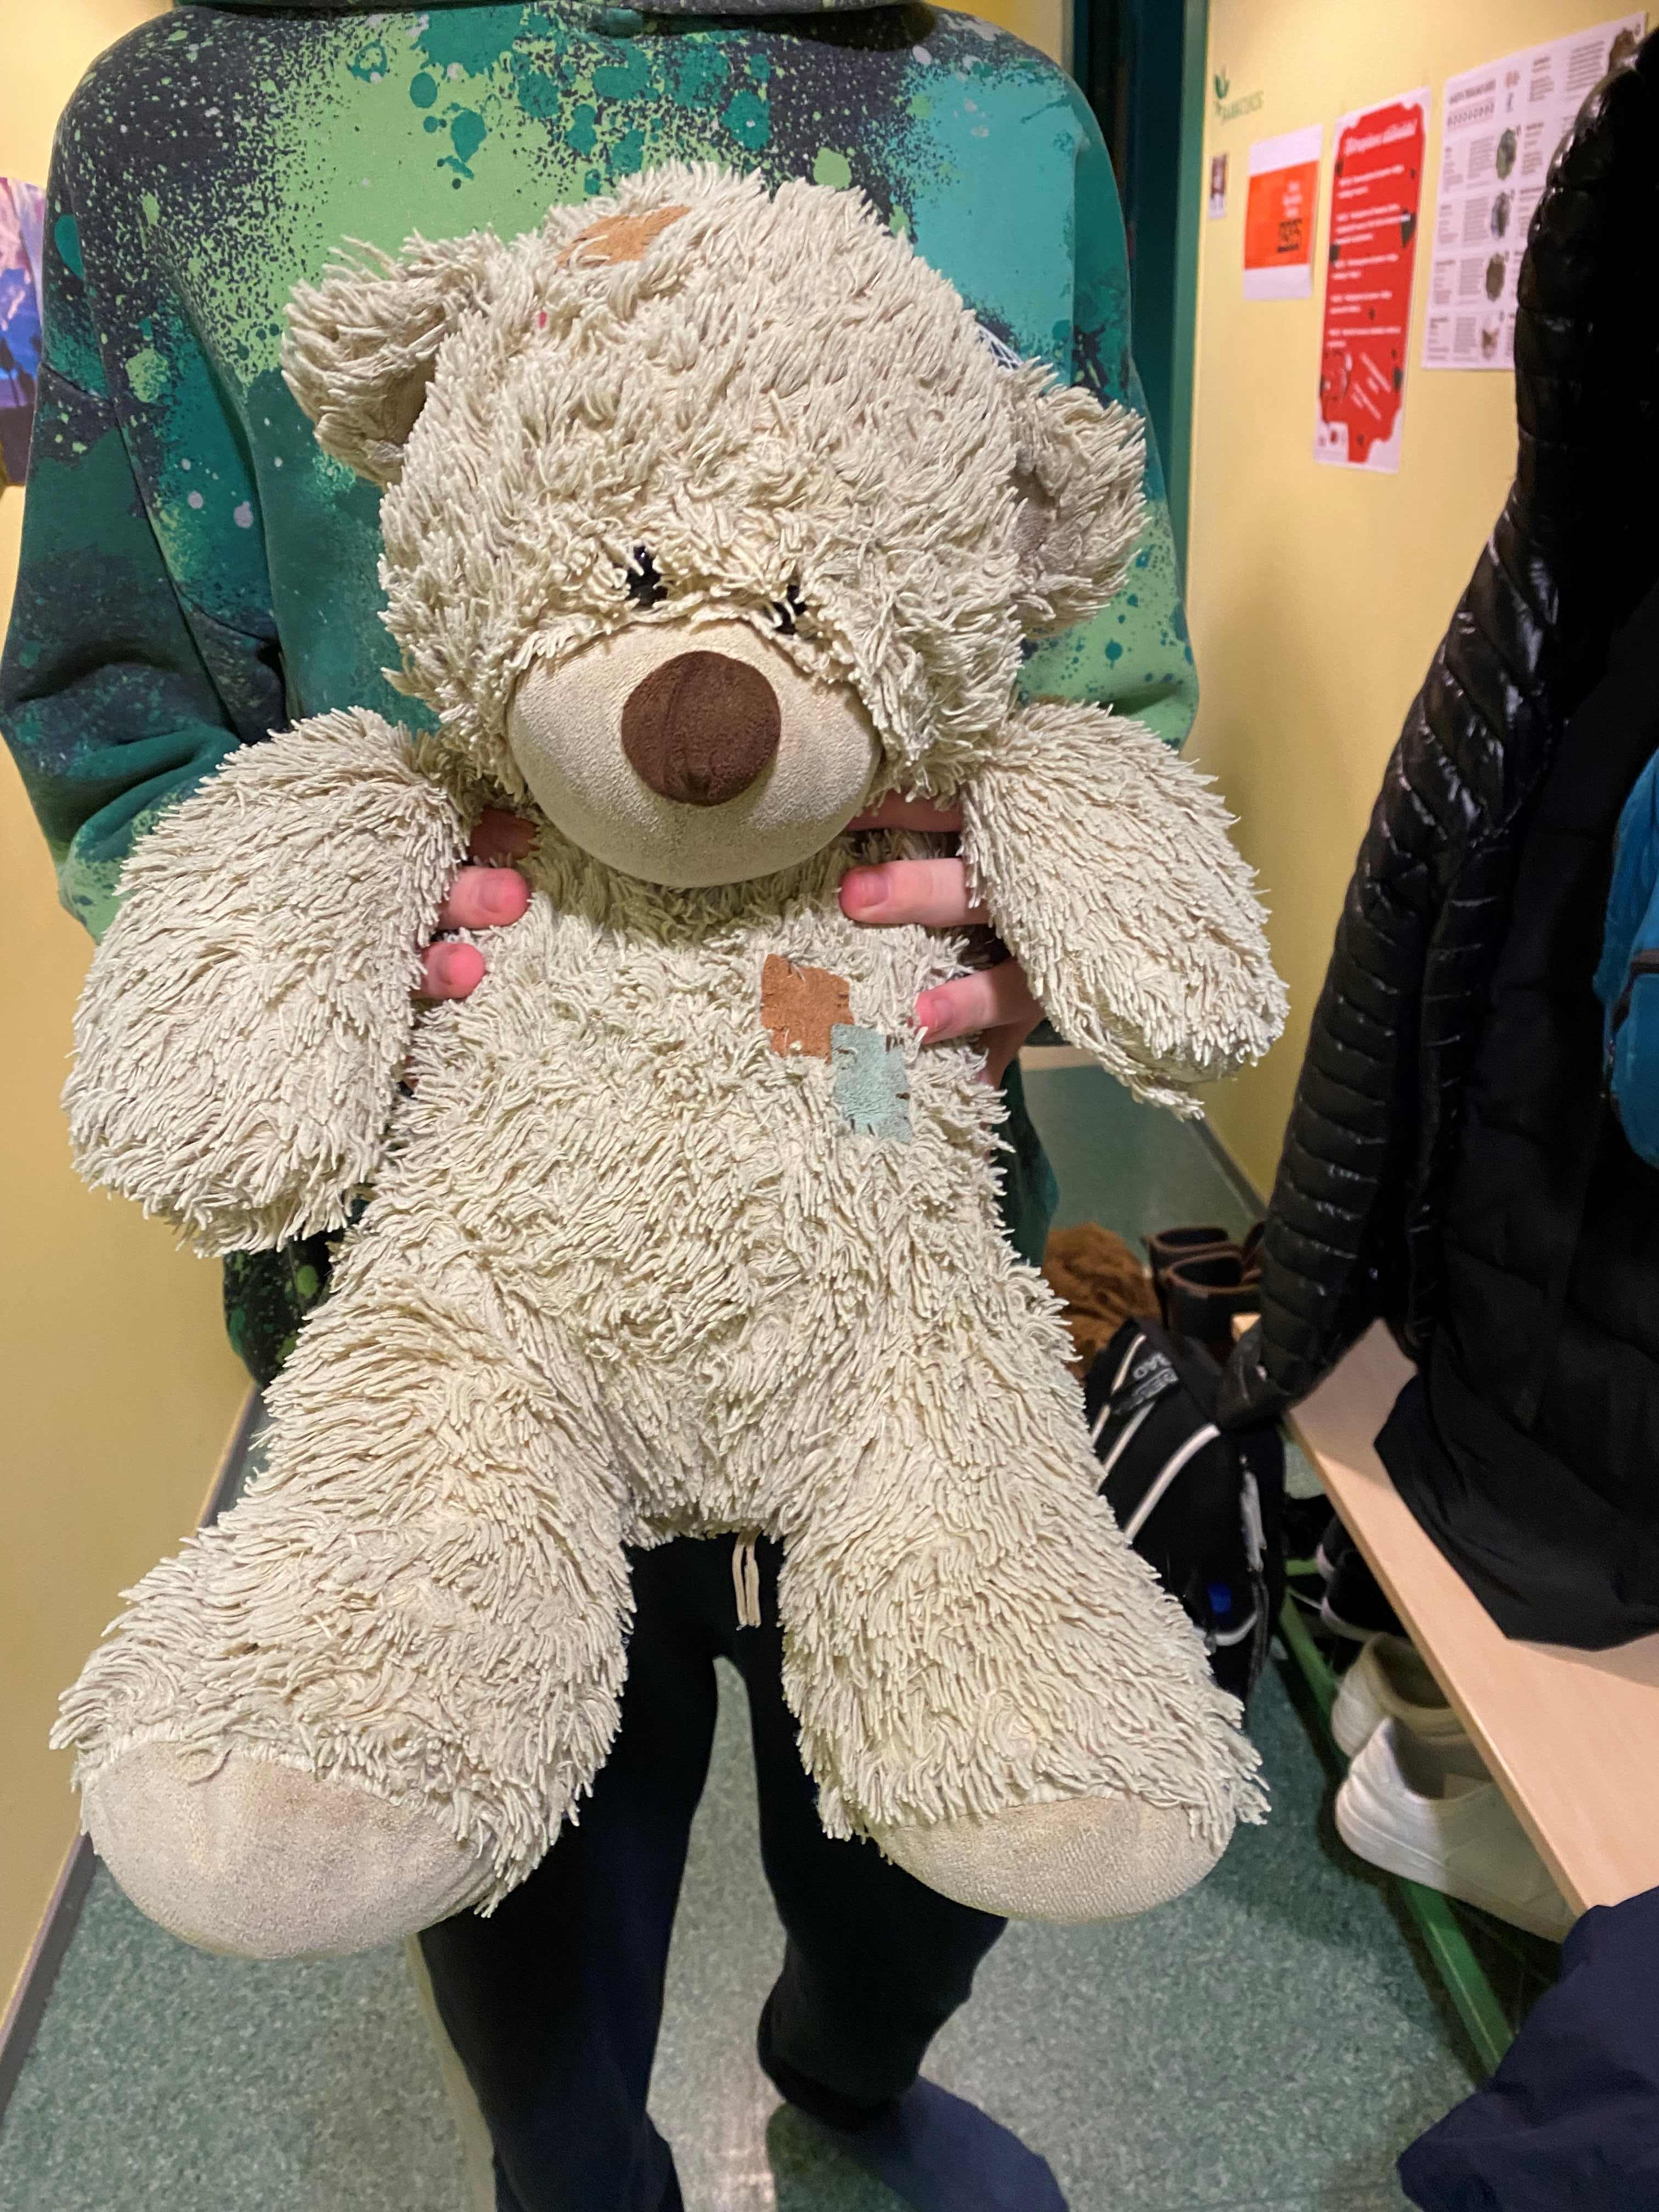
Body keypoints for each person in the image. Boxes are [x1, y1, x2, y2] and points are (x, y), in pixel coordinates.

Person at [2, 4, 1197, 2207]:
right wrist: (316, 950)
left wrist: (1049, 905)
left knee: (922, 1875)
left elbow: (1105, 670)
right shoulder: (200, 116)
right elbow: (119, 712)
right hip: (472, 1277)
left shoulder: (1007, 127)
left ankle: (841, 2086)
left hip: (885, 1226)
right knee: (522, 1938)